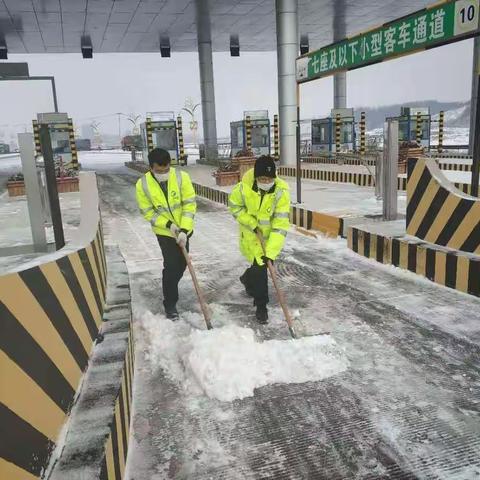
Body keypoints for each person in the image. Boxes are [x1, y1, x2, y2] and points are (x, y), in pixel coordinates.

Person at [135, 148, 197, 319]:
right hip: (164, 232)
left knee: (183, 264)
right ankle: (170, 303)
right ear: (150, 168)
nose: (163, 173)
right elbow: (148, 212)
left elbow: (189, 205)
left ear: (170, 165)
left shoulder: (181, 177)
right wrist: (169, 225)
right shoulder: (143, 184)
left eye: (166, 169)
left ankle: (169, 284)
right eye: (158, 171)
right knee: (171, 266)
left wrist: (184, 229)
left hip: (184, 229)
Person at [228, 155, 290, 323]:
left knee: (262, 267)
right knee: (261, 271)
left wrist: (271, 252)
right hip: (250, 235)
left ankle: (251, 286)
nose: (265, 181)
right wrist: (251, 223)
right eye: (262, 178)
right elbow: (234, 207)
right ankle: (260, 303)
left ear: (274, 177)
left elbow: (281, 224)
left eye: (269, 178)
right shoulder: (243, 188)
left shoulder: (281, 192)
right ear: (256, 177)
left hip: (269, 240)